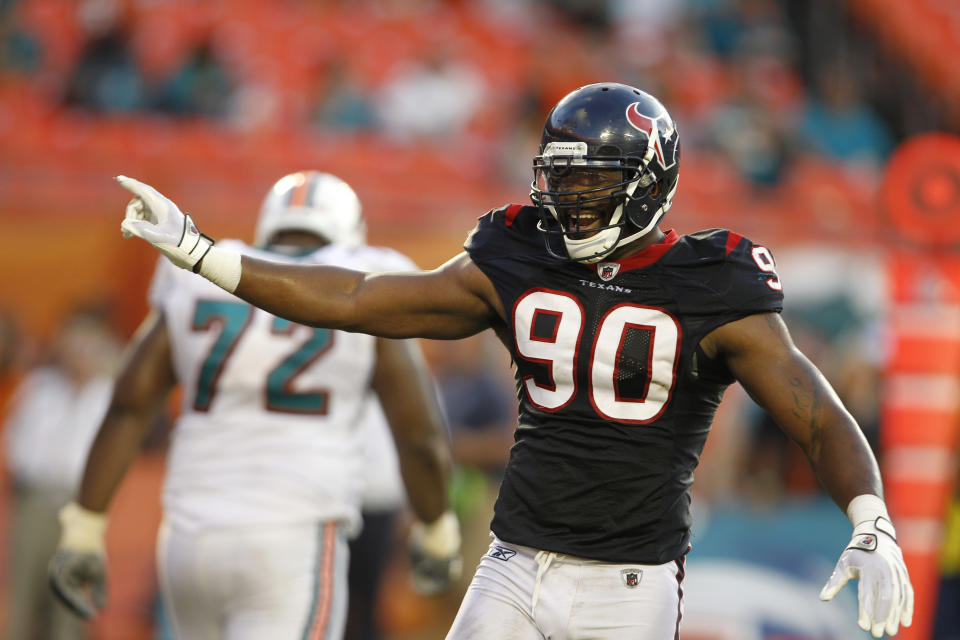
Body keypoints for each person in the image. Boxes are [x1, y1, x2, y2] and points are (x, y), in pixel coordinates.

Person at [114, 82, 913, 640]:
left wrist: (870, 518)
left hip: (627, 584)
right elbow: (361, 297)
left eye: (593, 183)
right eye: (561, 181)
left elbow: (816, 414)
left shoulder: (715, 283)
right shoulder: (519, 251)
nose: (570, 203)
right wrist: (205, 254)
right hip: (512, 560)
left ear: (649, 184)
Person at [49, 171, 461, 639]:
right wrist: (436, 529)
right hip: (293, 534)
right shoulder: (370, 275)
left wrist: (84, 525)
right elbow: (419, 434)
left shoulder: (201, 273)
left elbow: (129, 404)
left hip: (188, 536)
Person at [5, 305, 121, 640]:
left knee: (69, 598)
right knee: (24, 591)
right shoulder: (40, 386)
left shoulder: (109, 394)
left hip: (80, 504)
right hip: (35, 498)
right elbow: (16, 439)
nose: (79, 355)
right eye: (74, 345)